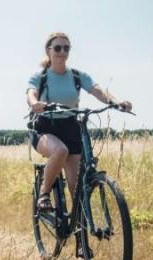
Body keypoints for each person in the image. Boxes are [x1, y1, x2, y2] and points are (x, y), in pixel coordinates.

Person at [26, 32, 132, 211]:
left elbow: (98, 90)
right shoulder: (40, 76)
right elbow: (31, 93)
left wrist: (116, 102)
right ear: (48, 51)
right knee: (60, 151)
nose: (62, 51)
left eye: (66, 48)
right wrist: (35, 104)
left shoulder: (76, 76)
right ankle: (44, 194)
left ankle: (79, 230)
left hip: (71, 128)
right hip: (45, 127)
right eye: (58, 48)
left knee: (77, 186)